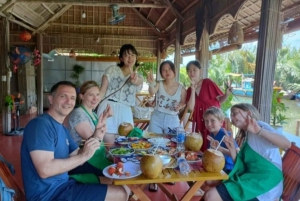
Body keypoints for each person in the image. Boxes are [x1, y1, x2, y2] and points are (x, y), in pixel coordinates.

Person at [21, 81, 129, 201]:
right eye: (63, 96)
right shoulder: (40, 125)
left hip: (64, 184)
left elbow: (79, 154)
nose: (68, 102)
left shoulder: (62, 128)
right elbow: (45, 170)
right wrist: (83, 156)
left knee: (116, 183)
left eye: (72, 98)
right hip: (48, 195)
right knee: (121, 193)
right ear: (51, 99)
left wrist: (97, 135)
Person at [203, 103, 291, 201]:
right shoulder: (248, 135)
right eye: (231, 115)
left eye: (235, 113)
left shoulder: (260, 126)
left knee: (210, 196)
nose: (232, 117)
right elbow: (242, 165)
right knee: (209, 186)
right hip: (252, 178)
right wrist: (230, 149)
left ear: (248, 113)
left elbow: (287, 144)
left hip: (266, 183)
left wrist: (259, 131)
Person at [67, 80, 113, 183]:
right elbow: (94, 142)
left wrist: (109, 154)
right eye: (91, 95)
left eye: (97, 94)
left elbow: (99, 138)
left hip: (96, 158)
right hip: (84, 162)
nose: (95, 98)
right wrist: (110, 155)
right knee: (118, 174)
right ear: (81, 96)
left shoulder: (92, 113)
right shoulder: (78, 114)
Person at [97, 44, 143, 143]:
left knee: (126, 142)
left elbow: (138, 82)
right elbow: (102, 91)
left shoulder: (138, 76)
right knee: (108, 143)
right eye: (126, 55)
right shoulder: (112, 70)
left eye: (132, 55)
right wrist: (92, 105)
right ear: (121, 58)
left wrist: (135, 80)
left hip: (125, 110)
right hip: (108, 107)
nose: (130, 58)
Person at [185, 60, 231, 152]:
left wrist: (227, 94)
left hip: (213, 118)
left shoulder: (207, 82)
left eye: (195, 70)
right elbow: (190, 108)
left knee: (216, 142)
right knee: (202, 143)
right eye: (189, 70)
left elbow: (220, 100)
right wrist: (193, 89)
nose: (192, 73)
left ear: (200, 71)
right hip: (201, 119)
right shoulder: (190, 89)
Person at [193, 106, 239, 196]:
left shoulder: (225, 135)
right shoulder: (212, 134)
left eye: (212, 120)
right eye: (206, 121)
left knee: (202, 182)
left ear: (221, 122)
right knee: (194, 176)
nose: (209, 124)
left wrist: (221, 149)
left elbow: (238, 152)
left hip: (227, 170)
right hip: (214, 167)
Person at [147, 60, 187, 133]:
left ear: (174, 71)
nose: (167, 71)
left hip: (172, 119)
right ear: (161, 74)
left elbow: (183, 102)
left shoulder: (182, 89)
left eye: (169, 69)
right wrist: (151, 83)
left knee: (172, 142)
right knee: (153, 141)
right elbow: (152, 92)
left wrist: (179, 107)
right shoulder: (159, 84)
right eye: (164, 70)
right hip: (157, 117)